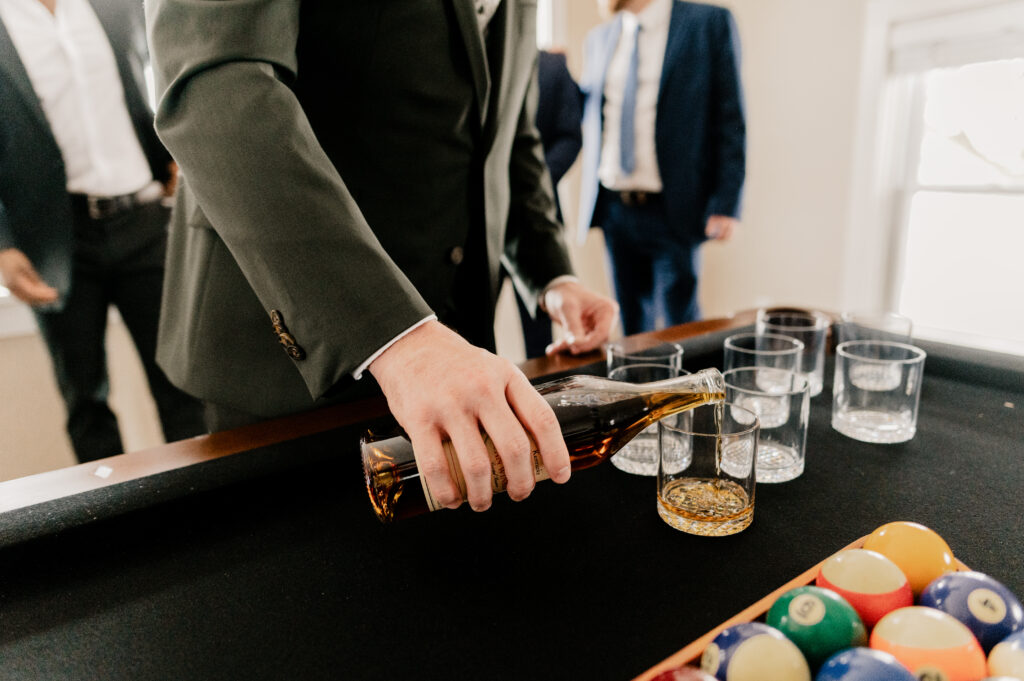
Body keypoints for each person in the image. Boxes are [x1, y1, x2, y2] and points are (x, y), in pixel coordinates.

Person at [145, 0, 618, 513]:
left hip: (454, 348)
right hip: (284, 357)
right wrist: (398, 338)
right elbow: (216, 87)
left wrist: (552, 273)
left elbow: (507, 133)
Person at [0, 0, 204, 462]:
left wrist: (173, 153)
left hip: (145, 218)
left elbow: (161, 71)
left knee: (184, 385)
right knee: (86, 401)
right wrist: (2, 245)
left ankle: (206, 517)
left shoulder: (115, 4)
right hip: (56, 240)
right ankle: (112, 531)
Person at [578, 0, 746, 335]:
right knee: (630, 330)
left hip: (674, 210)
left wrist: (727, 201)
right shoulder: (599, 38)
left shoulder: (707, 23)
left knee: (679, 329)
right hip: (614, 209)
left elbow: (730, 118)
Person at [509, 48, 584, 358]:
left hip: (533, 217)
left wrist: (533, 182)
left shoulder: (553, 66)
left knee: (539, 325)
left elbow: (570, 136)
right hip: (471, 225)